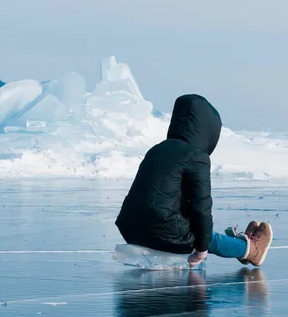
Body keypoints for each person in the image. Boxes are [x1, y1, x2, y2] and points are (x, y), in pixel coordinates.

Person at [115, 94, 273, 268]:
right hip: (165, 235)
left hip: (130, 231)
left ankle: (239, 246)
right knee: (206, 237)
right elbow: (201, 207)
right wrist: (202, 248)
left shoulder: (156, 149)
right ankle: (250, 249)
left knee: (181, 223)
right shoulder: (197, 156)